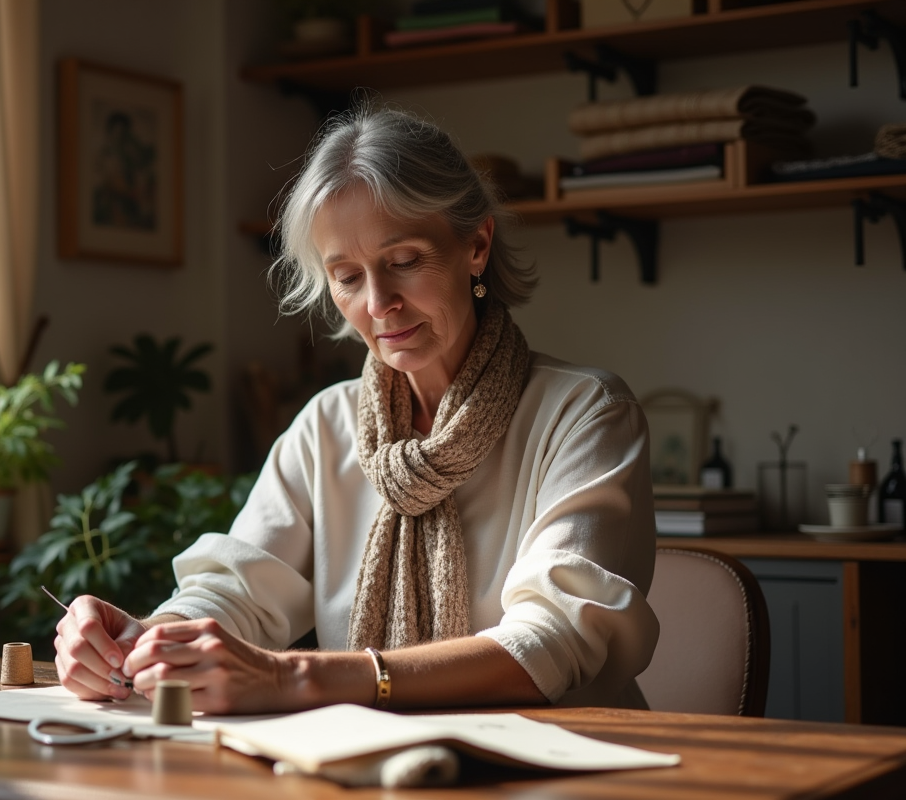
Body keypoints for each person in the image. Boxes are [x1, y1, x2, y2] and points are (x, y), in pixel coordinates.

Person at [55, 106, 659, 715]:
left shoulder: (584, 413)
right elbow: (238, 591)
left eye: (404, 262)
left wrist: (296, 678)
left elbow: (552, 642)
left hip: (567, 763)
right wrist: (150, 640)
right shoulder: (325, 427)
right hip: (371, 767)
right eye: (346, 277)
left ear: (476, 245)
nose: (379, 304)